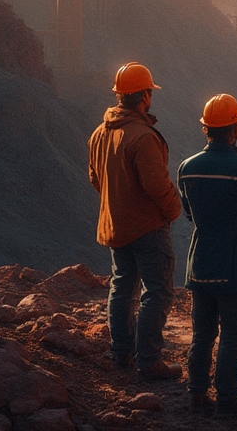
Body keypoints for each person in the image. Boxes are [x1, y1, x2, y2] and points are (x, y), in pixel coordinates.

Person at [87, 62, 183, 380]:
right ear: (144, 95)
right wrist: (172, 210)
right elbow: (156, 185)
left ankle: (121, 353)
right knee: (156, 292)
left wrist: (118, 199)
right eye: (149, 92)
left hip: (116, 225)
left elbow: (95, 177)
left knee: (122, 287)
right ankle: (149, 361)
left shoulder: (100, 133)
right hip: (147, 227)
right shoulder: (142, 137)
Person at [178, 94, 237, 417]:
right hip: (235, 267)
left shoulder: (186, 168)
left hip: (200, 263)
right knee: (232, 334)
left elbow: (189, 213)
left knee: (202, 334)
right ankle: (228, 399)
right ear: (235, 128)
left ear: (206, 128)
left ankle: (196, 394)